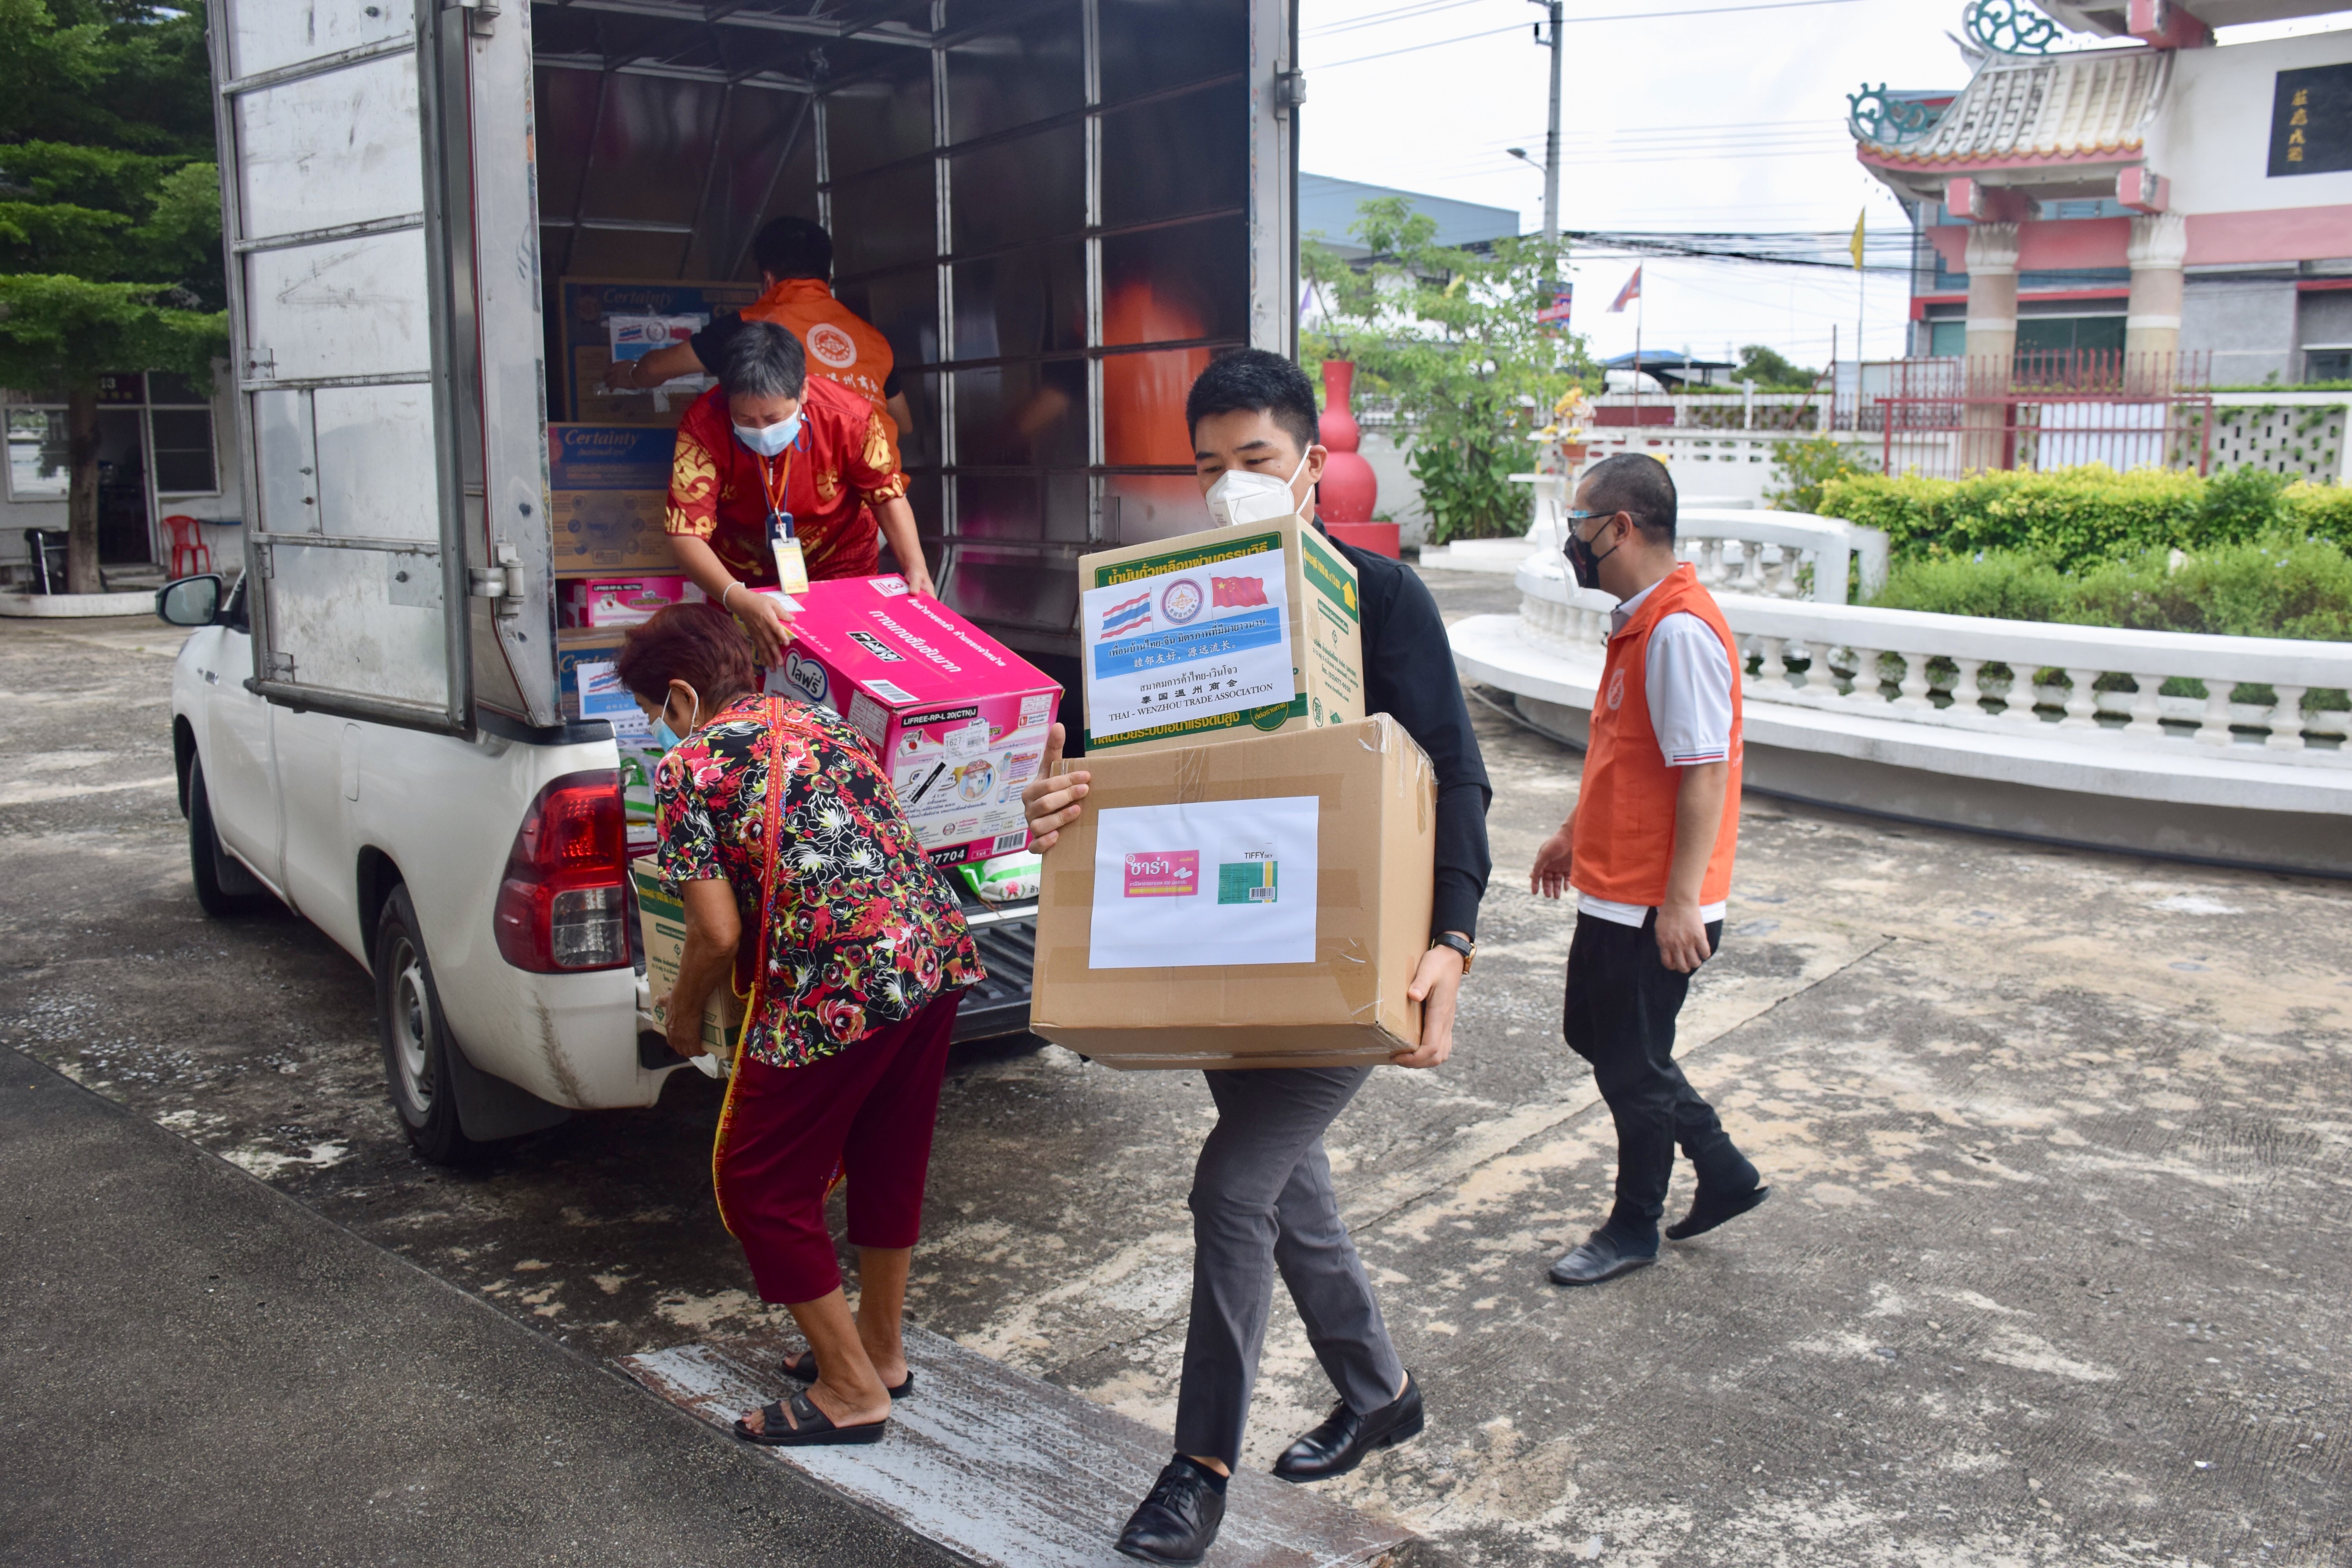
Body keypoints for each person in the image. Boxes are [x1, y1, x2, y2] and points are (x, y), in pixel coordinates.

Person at [1020, 350, 1492, 1568]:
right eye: (1208, 467)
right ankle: (1379, 1391)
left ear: (1311, 466)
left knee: (1233, 1187)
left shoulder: (1380, 601)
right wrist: (1057, 798)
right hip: (1219, 943)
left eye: (1256, 462)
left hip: (1346, 951)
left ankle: (1198, 1466)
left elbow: (1455, 775)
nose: (1230, 485)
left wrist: (1450, 942)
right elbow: (1092, 771)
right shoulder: (1159, 608)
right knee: (1290, 1191)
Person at [620, 600, 984, 1448]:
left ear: (679, 697)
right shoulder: (827, 724)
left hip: (838, 983)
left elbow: (715, 930)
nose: (656, 733)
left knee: (760, 1184)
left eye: (651, 715)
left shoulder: (691, 767)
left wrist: (678, 1014)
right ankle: (883, 1349)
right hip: (931, 956)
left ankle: (853, 1389)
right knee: (888, 1156)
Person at [1526, 452, 1769, 1290]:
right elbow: (1627, 758)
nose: (1573, 543)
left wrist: (1681, 905)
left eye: (1578, 525)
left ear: (1618, 528)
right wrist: (1569, 831)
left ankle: (1635, 1226)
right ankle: (1721, 1161)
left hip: (1652, 904)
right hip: (1616, 885)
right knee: (1600, 1039)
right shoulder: (1643, 622)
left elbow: (1704, 772)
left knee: (1630, 1064)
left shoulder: (1677, 630)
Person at [663, 321, 931, 670]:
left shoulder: (849, 418)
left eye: (773, 418)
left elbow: (887, 495)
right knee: (741, 670)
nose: (761, 430)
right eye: (746, 419)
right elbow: (686, 533)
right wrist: (737, 598)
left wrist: (917, 566)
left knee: (847, 664)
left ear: (802, 390)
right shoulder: (702, 428)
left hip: (840, 560)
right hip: (742, 572)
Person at [604, 215, 915, 443]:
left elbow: (658, 367)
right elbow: (904, 424)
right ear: (828, 279)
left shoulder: (749, 326)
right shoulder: (874, 340)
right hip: (877, 511)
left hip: (799, 507)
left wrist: (631, 375)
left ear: (767, 279)